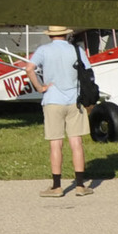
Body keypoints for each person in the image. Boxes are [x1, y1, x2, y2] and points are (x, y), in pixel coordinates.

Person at [20, 26, 92, 197]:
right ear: (66, 34)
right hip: (75, 99)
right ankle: (80, 185)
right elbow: (88, 71)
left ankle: (57, 186)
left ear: (51, 35)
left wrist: (39, 87)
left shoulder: (43, 50)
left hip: (52, 99)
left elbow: (29, 68)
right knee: (76, 142)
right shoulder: (77, 49)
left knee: (55, 143)